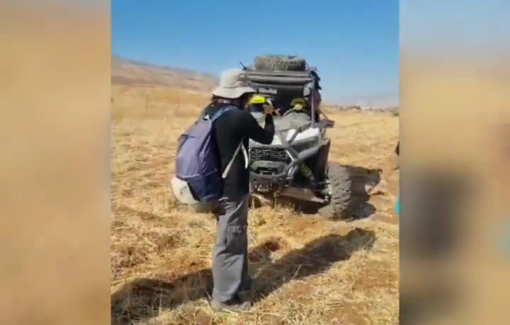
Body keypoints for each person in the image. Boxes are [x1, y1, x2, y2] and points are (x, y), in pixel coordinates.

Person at [201, 68, 275, 312]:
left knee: (236, 235)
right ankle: (223, 299)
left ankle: (238, 281)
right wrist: (269, 115)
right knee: (229, 241)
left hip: (213, 187)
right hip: (232, 190)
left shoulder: (210, 112)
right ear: (242, 94)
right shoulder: (238, 117)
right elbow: (265, 138)